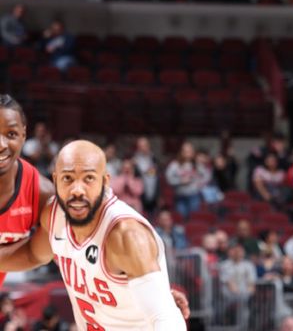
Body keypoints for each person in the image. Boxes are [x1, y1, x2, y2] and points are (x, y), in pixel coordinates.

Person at [0, 139, 189, 329]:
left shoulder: (126, 235)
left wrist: (159, 295)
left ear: (105, 182)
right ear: (56, 180)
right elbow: (32, 254)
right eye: (68, 178)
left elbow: (166, 317)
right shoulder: (54, 215)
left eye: (88, 178)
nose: (77, 190)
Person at [0, 95, 53, 288]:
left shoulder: (42, 193)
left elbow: (37, 255)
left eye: (11, 134)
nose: (1, 144)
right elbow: (30, 254)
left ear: (23, 135)